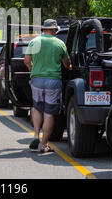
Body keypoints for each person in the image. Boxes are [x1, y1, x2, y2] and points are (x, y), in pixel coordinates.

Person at [24, 19, 72, 153]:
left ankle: (35, 136)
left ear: (44, 29)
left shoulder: (35, 41)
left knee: (37, 108)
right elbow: (67, 63)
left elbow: (27, 60)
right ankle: (44, 144)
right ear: (54, 30)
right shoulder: (59, 43)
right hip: (53, 81)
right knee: (49, 113)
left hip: (37, 80)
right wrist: (69, 66)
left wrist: (31, 67)